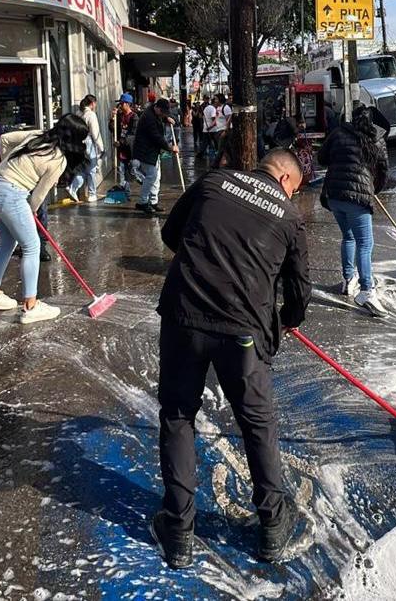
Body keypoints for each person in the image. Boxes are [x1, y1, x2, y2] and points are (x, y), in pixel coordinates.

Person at [152, 148, 311, 569]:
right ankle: (272, 524)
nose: (292, 197)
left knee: (178, 415)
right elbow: (299, 292)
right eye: (294, 190)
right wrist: (285, 320)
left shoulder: (214, 181)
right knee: (257, 422)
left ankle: (178, 530)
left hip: (184, 316)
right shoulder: (289, 218)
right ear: (286, 180)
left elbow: (171, 234)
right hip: (242, 333)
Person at [0, 114, 88, 324]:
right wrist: (32, 210)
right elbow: (38, 196)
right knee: (32, 246)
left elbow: (5, 139)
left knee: (7, 242)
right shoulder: (58, 160)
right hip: (11, 194)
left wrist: (8, 164)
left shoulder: (37, 136)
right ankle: (31, 305)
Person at [318, 105, 389, 316]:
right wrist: (373, 189)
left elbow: (321, 158)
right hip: (357, 199)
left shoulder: (338, 133)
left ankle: (348, 280)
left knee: (348, 236)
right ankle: (366, 290)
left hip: (334, 195)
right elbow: (383, 170)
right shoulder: (376, 138)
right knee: (365, 244)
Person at [132, 98, 178, 214]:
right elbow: (156, 137)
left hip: (153, 151)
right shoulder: (148, 118)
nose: (163, 114)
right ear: (157, 108)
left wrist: (166, 119)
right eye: (162, 112)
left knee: (156, 177)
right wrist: (170, 147)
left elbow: (161, 118)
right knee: (151, 176)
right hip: (145, 151)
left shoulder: (155, 113)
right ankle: (142, 202)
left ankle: (153, 202)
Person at [68, 94, 105, 203]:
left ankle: (72, 187)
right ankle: (92, 194)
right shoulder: (91, 115)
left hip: (78, 144)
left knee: (83, 169)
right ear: (92, 103)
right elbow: (95, 133)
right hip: (88, 143)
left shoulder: (78, 114)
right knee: (91, 170)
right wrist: (101, 147)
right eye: (95, 103)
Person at [110, 93, 140, 190]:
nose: (120, 105)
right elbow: (112, 129)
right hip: (121, 150)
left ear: (127, 104)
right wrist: (112, 119)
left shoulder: (134, 117)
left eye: (122, 103)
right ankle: (125, 192)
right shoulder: (119, 116)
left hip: (131, 150)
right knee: (121, 171)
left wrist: (121, 142)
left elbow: (133, 134)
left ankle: (147, 185)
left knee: (134, 172)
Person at [195, 95, 219, 162]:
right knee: (216, 142)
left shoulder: (206, 108)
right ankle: (217, 154)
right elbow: (213, 118)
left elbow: (201, 116)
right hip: (212, 129)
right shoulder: (213, 109)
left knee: (205, 143)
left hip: (206, 128)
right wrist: (212, 125)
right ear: (214, 103)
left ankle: (200, 153)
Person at [214, 94, 233, 164]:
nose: (215, 101)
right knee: (227, 148)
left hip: (224, 130)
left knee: (221, 148)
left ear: (220, 99)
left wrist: (226, 131)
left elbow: (229, 120)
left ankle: (215, 164)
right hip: (218, 130)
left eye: (216, 99)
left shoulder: (226, 108)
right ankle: (233, 161)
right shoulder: (218, 108)